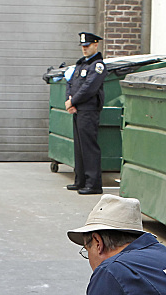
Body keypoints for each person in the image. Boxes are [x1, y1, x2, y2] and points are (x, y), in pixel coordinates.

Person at [65, 31, 106, 195]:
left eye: (87, 46)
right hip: (78, 109)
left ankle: (93, 184)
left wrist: (73, 101)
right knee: (79, 147)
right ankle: (80, 180)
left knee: (89, 147)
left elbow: (89, 88)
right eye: (82, 46)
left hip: (88, 110)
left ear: (96, 44)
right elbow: (71, 83)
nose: (84, 49)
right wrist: (69, 101)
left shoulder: (98, 66)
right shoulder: (81, 64)